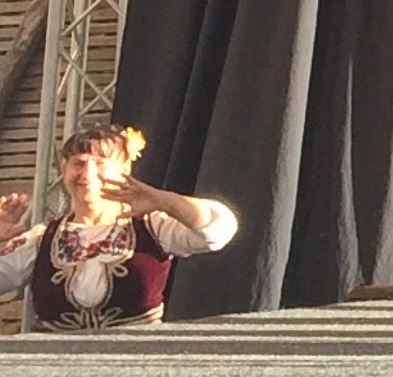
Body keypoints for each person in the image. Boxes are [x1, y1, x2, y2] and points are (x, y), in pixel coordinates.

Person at [0, 124, 238, 330]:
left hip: (134, 361)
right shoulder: (42, 239)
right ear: (64, 171)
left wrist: (164, 200)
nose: (87, 174)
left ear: (124, 170)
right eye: (78, 164)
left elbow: (218, 231)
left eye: (100, 163)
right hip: (53, 363)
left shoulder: (152, 226)